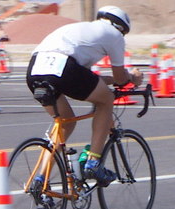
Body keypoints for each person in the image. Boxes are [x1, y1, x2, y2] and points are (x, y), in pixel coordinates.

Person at [26, 6, 143, 186]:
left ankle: (41, 180)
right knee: (106, 101)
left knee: (66, 122)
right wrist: (132, 78)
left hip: (35, 68)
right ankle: (93, 163)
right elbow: (120, 78)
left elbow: (89, 80)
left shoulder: (82, 31)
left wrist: (112, 80)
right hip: (64, 68)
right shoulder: (115, 35)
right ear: (121, 27)